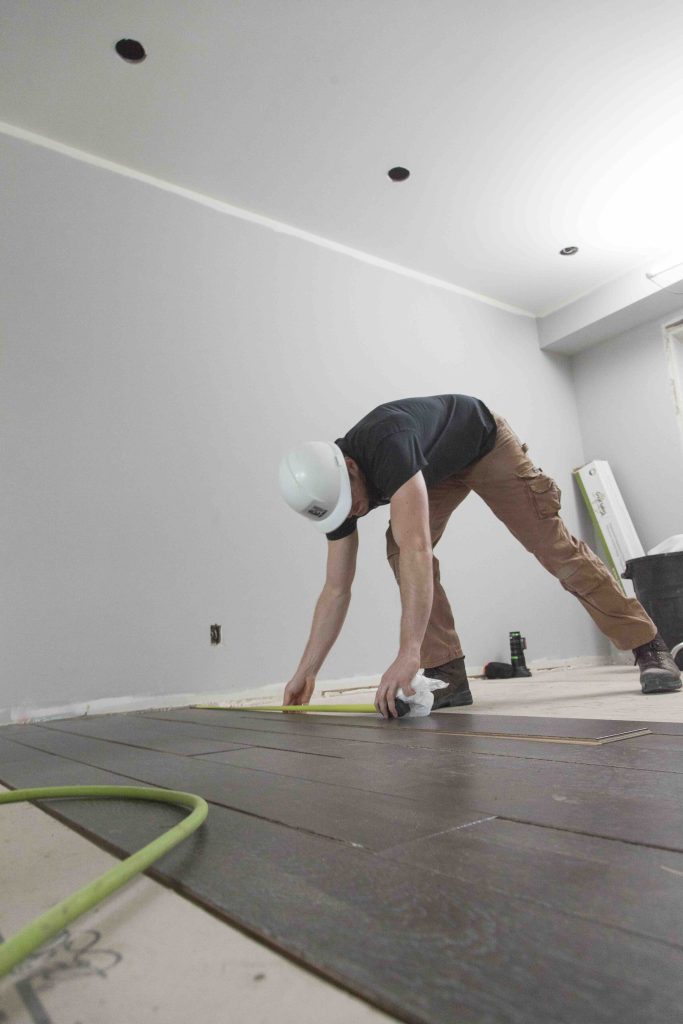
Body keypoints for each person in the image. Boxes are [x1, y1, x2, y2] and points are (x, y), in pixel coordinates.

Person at [278, 394, 681, 718]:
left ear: (350, 466)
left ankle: (649, 646)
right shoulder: (334, 495)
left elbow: (418, 547)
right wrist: (306, 672)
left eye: (352, 503)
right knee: (398, 548)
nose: (354, 513)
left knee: (552, 546)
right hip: (435, 470)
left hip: (484, 444)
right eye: (342, 512)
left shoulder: (387, 441)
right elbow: (335, 589)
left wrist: (407, 653)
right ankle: (448, 671)